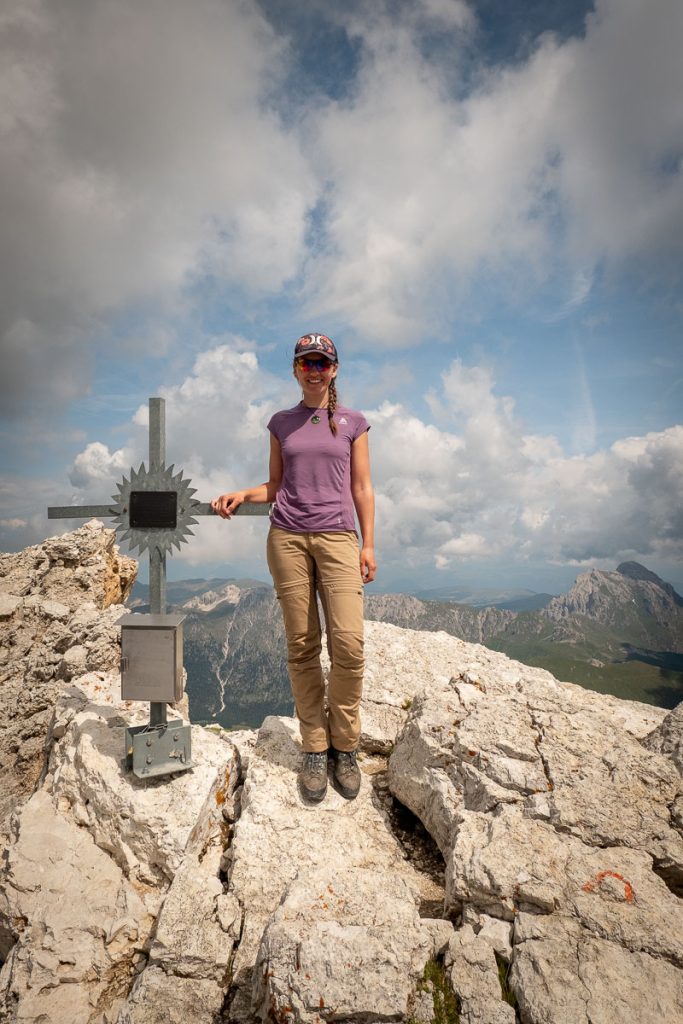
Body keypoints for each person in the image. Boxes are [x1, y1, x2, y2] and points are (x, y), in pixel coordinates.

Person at [211, 333, 376, 803]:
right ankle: (314, 747)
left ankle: (344, 745)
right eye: (306, 363)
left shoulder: (353, 423)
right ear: (295, 370)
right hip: (286, 537)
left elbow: (363, 488)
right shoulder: (281, 422)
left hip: (340, 538)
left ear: (335, 369)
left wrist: (368, 545)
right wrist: (244, 494)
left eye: (322, 363)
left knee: (349, 644)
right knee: (303, 644)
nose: (314, 370)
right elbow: (277, 483)